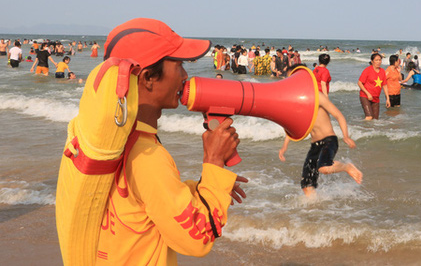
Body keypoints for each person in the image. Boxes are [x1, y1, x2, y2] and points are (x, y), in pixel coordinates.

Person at [89, 18, 247, 264]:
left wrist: (202, 187)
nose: (185, 75)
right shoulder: (147, 158)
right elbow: (198, 239)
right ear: (148, 77)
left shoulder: (110, 137)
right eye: (179, 65)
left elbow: (141, 203)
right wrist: (214, 161)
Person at [279, 66, 362, 198]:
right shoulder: (297, 102)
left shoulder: (318, 96)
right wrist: (284, 147)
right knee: (306, 185)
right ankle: (315, 211)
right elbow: (292, 128)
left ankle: (347, 167)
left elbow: (339, 115)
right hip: (315, 145)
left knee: (323, 168)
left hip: (329, 140)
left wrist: (346, 136)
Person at [357, 53, 391, 120]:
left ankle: (369, 130)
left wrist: (388, 99)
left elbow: (384, 85)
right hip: (365, 96)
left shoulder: (382, 71)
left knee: (375, 120)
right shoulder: (367, 70)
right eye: (376, 60)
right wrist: (368, 93)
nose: (378, 62)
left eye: (380, 60)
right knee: (369, 117)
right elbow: (359, 83)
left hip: (376, 98)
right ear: (372, 61)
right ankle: (360, 129)